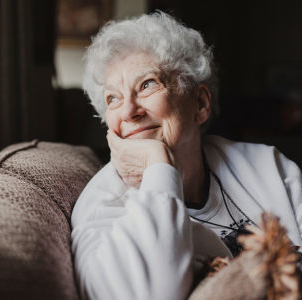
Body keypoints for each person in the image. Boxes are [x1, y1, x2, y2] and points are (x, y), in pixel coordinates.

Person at [71, 11, 302, 300]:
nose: (129, 111)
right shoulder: (102, 206)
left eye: (147, 84)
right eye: (112, 99)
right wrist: (159, 165)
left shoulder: (268, 166)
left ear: (201, 103)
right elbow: (155, 292)